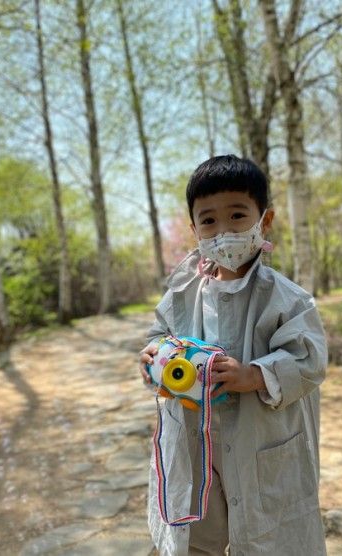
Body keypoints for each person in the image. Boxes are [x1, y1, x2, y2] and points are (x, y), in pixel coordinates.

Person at [138, 154, 328, 555]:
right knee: (197, 536)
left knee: (270, 536)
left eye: (237, 216)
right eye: (208, 221)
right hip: (197, 443)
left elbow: (310, 360)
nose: (223, 231)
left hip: (261, 442)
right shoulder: (182, 294)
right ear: (194, 229)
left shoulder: (285, 299)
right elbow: (159, 335)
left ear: (265, 220)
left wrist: (255, 376)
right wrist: (153, 357)